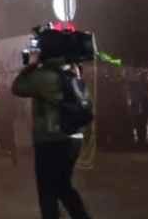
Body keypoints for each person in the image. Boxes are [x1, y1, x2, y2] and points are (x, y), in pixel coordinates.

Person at [12, 51, 91, 219]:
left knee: (47, 189)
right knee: (63, 185)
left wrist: (30, 66)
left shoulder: (43, 76)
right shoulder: (73, 71)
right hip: (74, 137)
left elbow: (17, 87)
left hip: (50, 139)